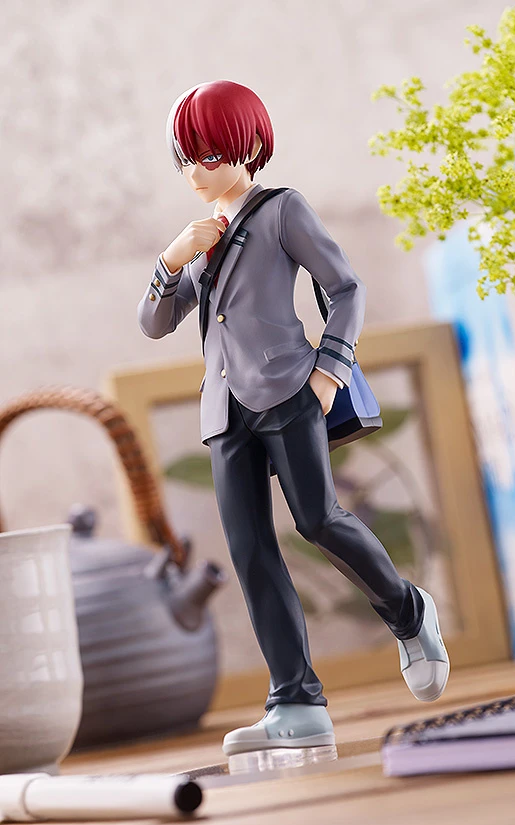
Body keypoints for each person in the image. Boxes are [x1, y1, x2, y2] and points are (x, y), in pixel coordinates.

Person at [138, 80, 450, 758]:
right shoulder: (203, 237)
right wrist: (171, 260)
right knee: (250, 550)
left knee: (318, 519)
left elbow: (346, 288)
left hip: (289, 390)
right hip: (224, 410)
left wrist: (329, 373)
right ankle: (296, 701)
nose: (195, 172)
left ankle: (408, 609)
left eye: (209, 154)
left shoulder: (282, 210)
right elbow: (155, 323)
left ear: (248, 144)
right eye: (185, 159)